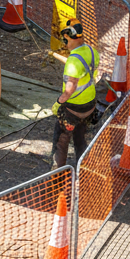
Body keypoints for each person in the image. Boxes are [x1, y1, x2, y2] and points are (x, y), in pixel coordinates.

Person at [50, 20, 101, 168]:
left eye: (65, 40)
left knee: (61, 141)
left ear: (71, 38)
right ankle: (82, 168)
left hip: (73, 110)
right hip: (90, 105)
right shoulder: (93, 52)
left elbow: (69, 90)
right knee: (80, 138)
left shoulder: (72, 63)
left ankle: (56, 175)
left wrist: (58, 103)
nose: (65, 43)